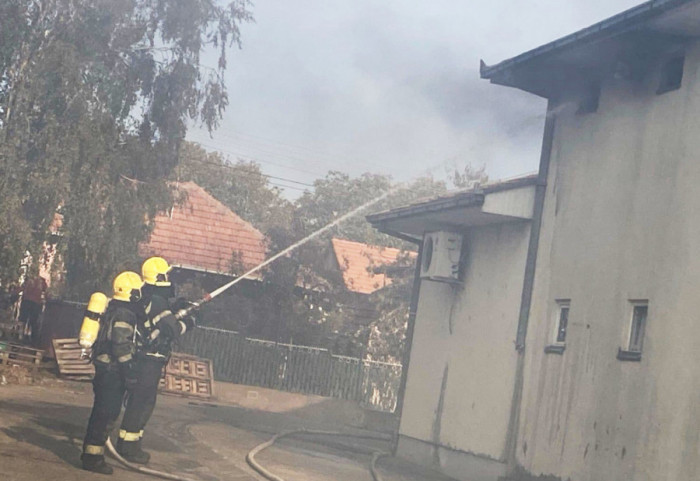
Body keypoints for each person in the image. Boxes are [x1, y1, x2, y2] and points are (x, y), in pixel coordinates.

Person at [116, 257, 195, 463]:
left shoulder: (148, 297)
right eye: (166, 274)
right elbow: (173, 329)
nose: (169, 277)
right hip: (149, 359)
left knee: (140, 402)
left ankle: (131, 444)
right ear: (159, 277)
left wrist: (175, 309)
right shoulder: (158, 301)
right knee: (142, 403)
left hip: (144, 358)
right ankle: (128, 447)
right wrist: (189, 321)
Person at [81, 271, 144, 475]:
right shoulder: (125, 313)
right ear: (133, 293)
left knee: (100, 412)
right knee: (106, 414)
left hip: (103, 367)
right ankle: (93, 458)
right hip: (112, 370)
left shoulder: (112, 307)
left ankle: (92, 454)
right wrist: (130, 371)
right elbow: (121, 344)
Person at [17, 276, 48, 346]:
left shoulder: (29, 279)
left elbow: (21, 288)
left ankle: (21, 336)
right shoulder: (41, 281)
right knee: (32, 321)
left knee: (24, 319)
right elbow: (45, 292)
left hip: (27, 301)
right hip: (35, 303)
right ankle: (30, 337)